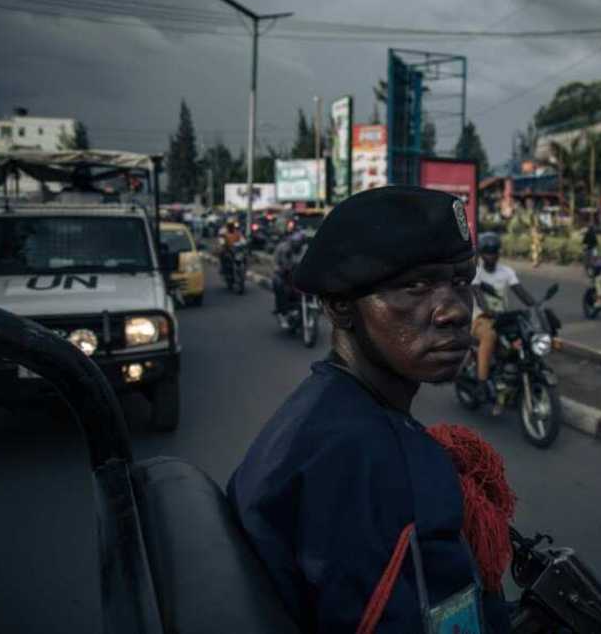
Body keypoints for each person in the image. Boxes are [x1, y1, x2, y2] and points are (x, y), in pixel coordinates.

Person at [228, 186, 514, 634]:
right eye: (415, 286)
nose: (455, 310)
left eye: (460, 281)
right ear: (340, 306)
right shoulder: (380, 466)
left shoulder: (326, 414)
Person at [471, 232, 536, 415]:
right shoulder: (477, 272)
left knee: (523, 338)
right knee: (490, 336)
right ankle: (482, 383)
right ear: (481, 254)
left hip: (503, 319)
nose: (490, 256)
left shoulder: (507, 271)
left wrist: (537, 306)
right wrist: (487, 310)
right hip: (480, 319)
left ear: (499, 253)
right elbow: (477, 294)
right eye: (487, 252)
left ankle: (512, 380)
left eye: (494, 252)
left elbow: (521, 292)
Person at [272, 227, 308, 321]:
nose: (297, 244)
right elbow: (275, 262)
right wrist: (279, 269)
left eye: (299, 242)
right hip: (285, 274)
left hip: (300, 275)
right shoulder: (282, 248)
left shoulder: (305, 249)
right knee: (278, 283)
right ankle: (282, 311)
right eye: (295, 242)